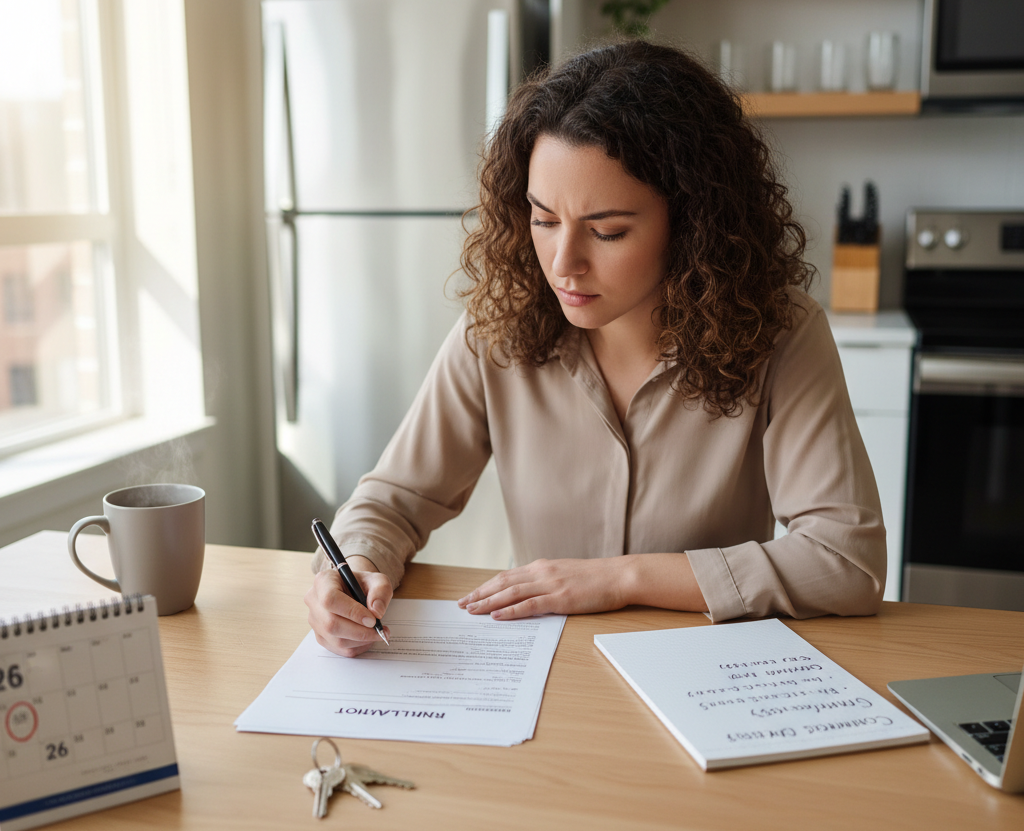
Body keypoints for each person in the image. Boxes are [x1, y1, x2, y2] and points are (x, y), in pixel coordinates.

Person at [305, 40, 885, 658]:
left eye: (607, 231)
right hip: (540, 677)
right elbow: (393, 500)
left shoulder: (782, 332)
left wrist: (618, 578)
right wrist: (355, 565)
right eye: (543, 219)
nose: (563, 264)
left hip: (708, 673)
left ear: (692, 223)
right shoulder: (498, 329)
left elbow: (845, 559)